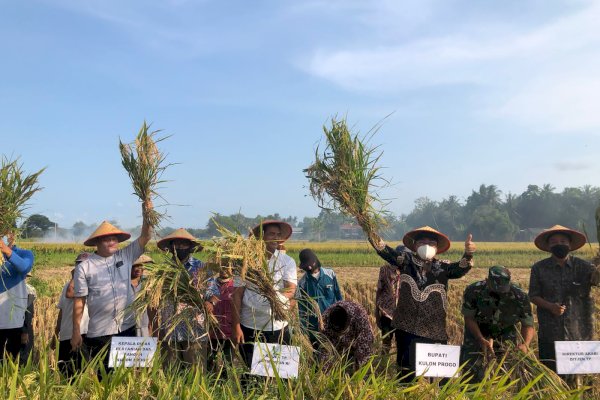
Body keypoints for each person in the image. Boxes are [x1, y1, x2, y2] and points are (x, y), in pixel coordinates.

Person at [368, 226, 475, 380]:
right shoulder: (405, 261)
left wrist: (469, 253)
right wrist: (368, 227)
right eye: (422, 242)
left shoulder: (443, 267)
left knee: (437, 378)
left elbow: (460, 268)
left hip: (435, 331)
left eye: (431, 242)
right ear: (415, 245)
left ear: (437, 248)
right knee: (407, 374)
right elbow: (384, 250)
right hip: (406, 329)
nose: (426, 245)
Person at [71, 199, 153, 371]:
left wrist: (147, 213)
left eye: (114, 239)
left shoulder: (125, 255)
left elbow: (146, 236)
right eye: (107, 239)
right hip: (100, 332)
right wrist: (76, 331)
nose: (112, 242)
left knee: (127, 376)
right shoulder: (85, 267)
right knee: (104, 378)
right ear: (97, 243)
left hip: (127, 327)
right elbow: (79, 301)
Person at [528, 225, 600, 377]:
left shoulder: (585, 267)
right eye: (553, 242)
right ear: (548, 246)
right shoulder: (539, 268)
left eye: (563, 241)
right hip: (550, 331)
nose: (558, 244)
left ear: (570, 245)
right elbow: (533, 295)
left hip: (579, 331)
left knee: (580, 379)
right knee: (551, 376)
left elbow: (597, 280)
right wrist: (550, 307)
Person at [231, 220, 298, 369]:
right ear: (261, 237)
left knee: (282, 371)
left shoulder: (287, 261)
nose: (275, 237)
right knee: (252, 371)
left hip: (279, 325)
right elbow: (236, 295)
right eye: (271, 234)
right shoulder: (246, 263)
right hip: (250, 325)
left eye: (278, 234)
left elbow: (291, 289)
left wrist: (274, 297)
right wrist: (236, 326)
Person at [461, 266, 535, 383]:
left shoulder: (520, 296)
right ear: (487, 280)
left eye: (502, 289)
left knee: (505, 378)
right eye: (495, 289)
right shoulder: (473, 291)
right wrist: (480, 338)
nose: (499, 292)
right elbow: (469, 318)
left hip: (506, 340)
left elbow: (528, 324)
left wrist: (525, 345)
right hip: (476, 338)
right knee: (471, 377)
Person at [157, 228, 207, 368]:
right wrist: (156, 328)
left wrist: (209, 303)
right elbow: (154, 299)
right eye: (176, 244)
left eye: (183, 244)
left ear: (191, 247)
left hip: (194, 327)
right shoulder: (163, 269)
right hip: (168, 328)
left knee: (196, 371)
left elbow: (212, 292)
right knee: (171, 372)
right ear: (170, 247)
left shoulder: (200, 267)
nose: (179, 248)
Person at [295, 248, 343, 348]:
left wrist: (342, 317)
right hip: (314, 327)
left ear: (315, 260)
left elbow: (338, 297)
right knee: (318, 354)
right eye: (306, 265)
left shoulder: (330, 274)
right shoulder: (302, 284)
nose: (308, 266)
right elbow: (302, 309)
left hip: (332, 322)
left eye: (310, 263)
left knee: (334, 350)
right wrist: (303, 331)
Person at [54, 253, 90, 377]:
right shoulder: (67, 286)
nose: (81, 267)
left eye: (84, 265)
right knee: (65, 371)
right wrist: (55, 334)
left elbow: (71, 293)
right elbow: (62, 312)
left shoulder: (92, 285)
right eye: (79, 264)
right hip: (65, 334)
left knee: (83, 371)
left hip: (84, 334)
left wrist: (76, 276)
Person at [0, 234, 34, 360]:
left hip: (14, 322)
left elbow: (24, 267)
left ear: (12, 235)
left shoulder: (24, 254)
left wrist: (5, 250)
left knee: (15, 364)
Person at [320, 300, 374, 371]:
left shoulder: (359, 316)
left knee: (357, 365)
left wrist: (358, 372)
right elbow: (325, 350)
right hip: (335, 342)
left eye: (341, 332)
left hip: (354, 343)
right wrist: (323, 373)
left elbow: (366, 346)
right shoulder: (325, 320)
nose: (340, 336)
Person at [375, 245, 407, 355]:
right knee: (386, 341)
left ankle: (400, 368)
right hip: (386, 311)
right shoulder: (385, 270)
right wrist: (376, 312)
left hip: (403, 313)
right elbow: (379, 290)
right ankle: (384, 366)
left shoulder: (410, 271)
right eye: (400, 256)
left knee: (402, 343)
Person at [205, 264, 236, 376]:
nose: (225, 270)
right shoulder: (210, 284)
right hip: (211, 330)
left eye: (227, 267)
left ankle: (225, 386)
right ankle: (210, 384)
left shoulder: (236, 285)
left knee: (227, 361)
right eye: (222, 267)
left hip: (229, 330)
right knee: (210, 359)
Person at [130, 254, 153, 337]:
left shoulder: (147, 283)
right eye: (136, 266)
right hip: (126, 325)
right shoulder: (123, 284)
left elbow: (152, 305)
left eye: (141, 266)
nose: (139, 269)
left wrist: (151, 325)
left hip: (144, 323)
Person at [19, 275, 37, 363]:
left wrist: (25, 331)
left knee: (24, 358)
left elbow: (27, 314)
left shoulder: (27, 290)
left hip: (23, 329)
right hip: (18, 328)